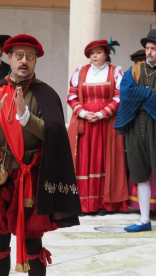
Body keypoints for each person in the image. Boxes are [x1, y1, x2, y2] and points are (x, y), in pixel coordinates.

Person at [0, 34, 81, 275]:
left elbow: (55, 134)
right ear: (8, 57)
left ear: (36, 61)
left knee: (33, 244)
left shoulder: (46, 94)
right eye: (19, 56)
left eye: (30, 57)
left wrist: (26, 117)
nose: (24, 61)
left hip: (30, 178)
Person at [114, 29, 156, 238]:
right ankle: (144, 220)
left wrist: (139, 97)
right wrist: (149, 95)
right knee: (140, 174)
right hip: (135, 128)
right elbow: (125, 93)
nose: (149, 52)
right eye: (147, 48)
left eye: (153, 48)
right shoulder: (133, 71)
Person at [67, 39, 128, 215]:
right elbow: (71, 96)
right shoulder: (80, 71)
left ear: (106, 54)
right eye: (92, 53)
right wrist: (84, 113)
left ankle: (103, 203)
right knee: (83, 160)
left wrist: (102, 114)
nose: (94, 56)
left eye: (98, 52)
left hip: (107, 123)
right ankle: (83, 203)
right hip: (83, 122)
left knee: (103, 159)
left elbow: (119, 96)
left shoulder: (116, 72)